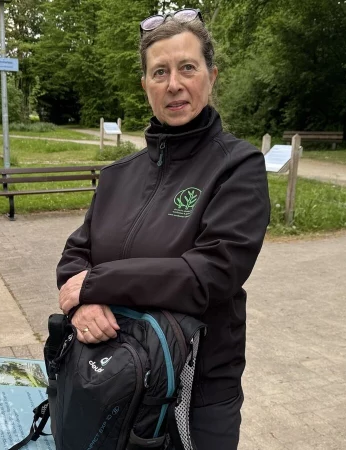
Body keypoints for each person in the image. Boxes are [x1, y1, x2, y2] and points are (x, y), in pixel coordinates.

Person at [56, 8, 270, 449]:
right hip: (111, 377)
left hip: (196, 393)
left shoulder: (238, 167)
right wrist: (82, 308)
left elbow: (210, 274)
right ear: (146, 86)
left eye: (187, 68)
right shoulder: (119, 175)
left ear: (211, 75)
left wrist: (96, 284)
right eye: (160, 72)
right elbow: (75, 256)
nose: (174, 84)